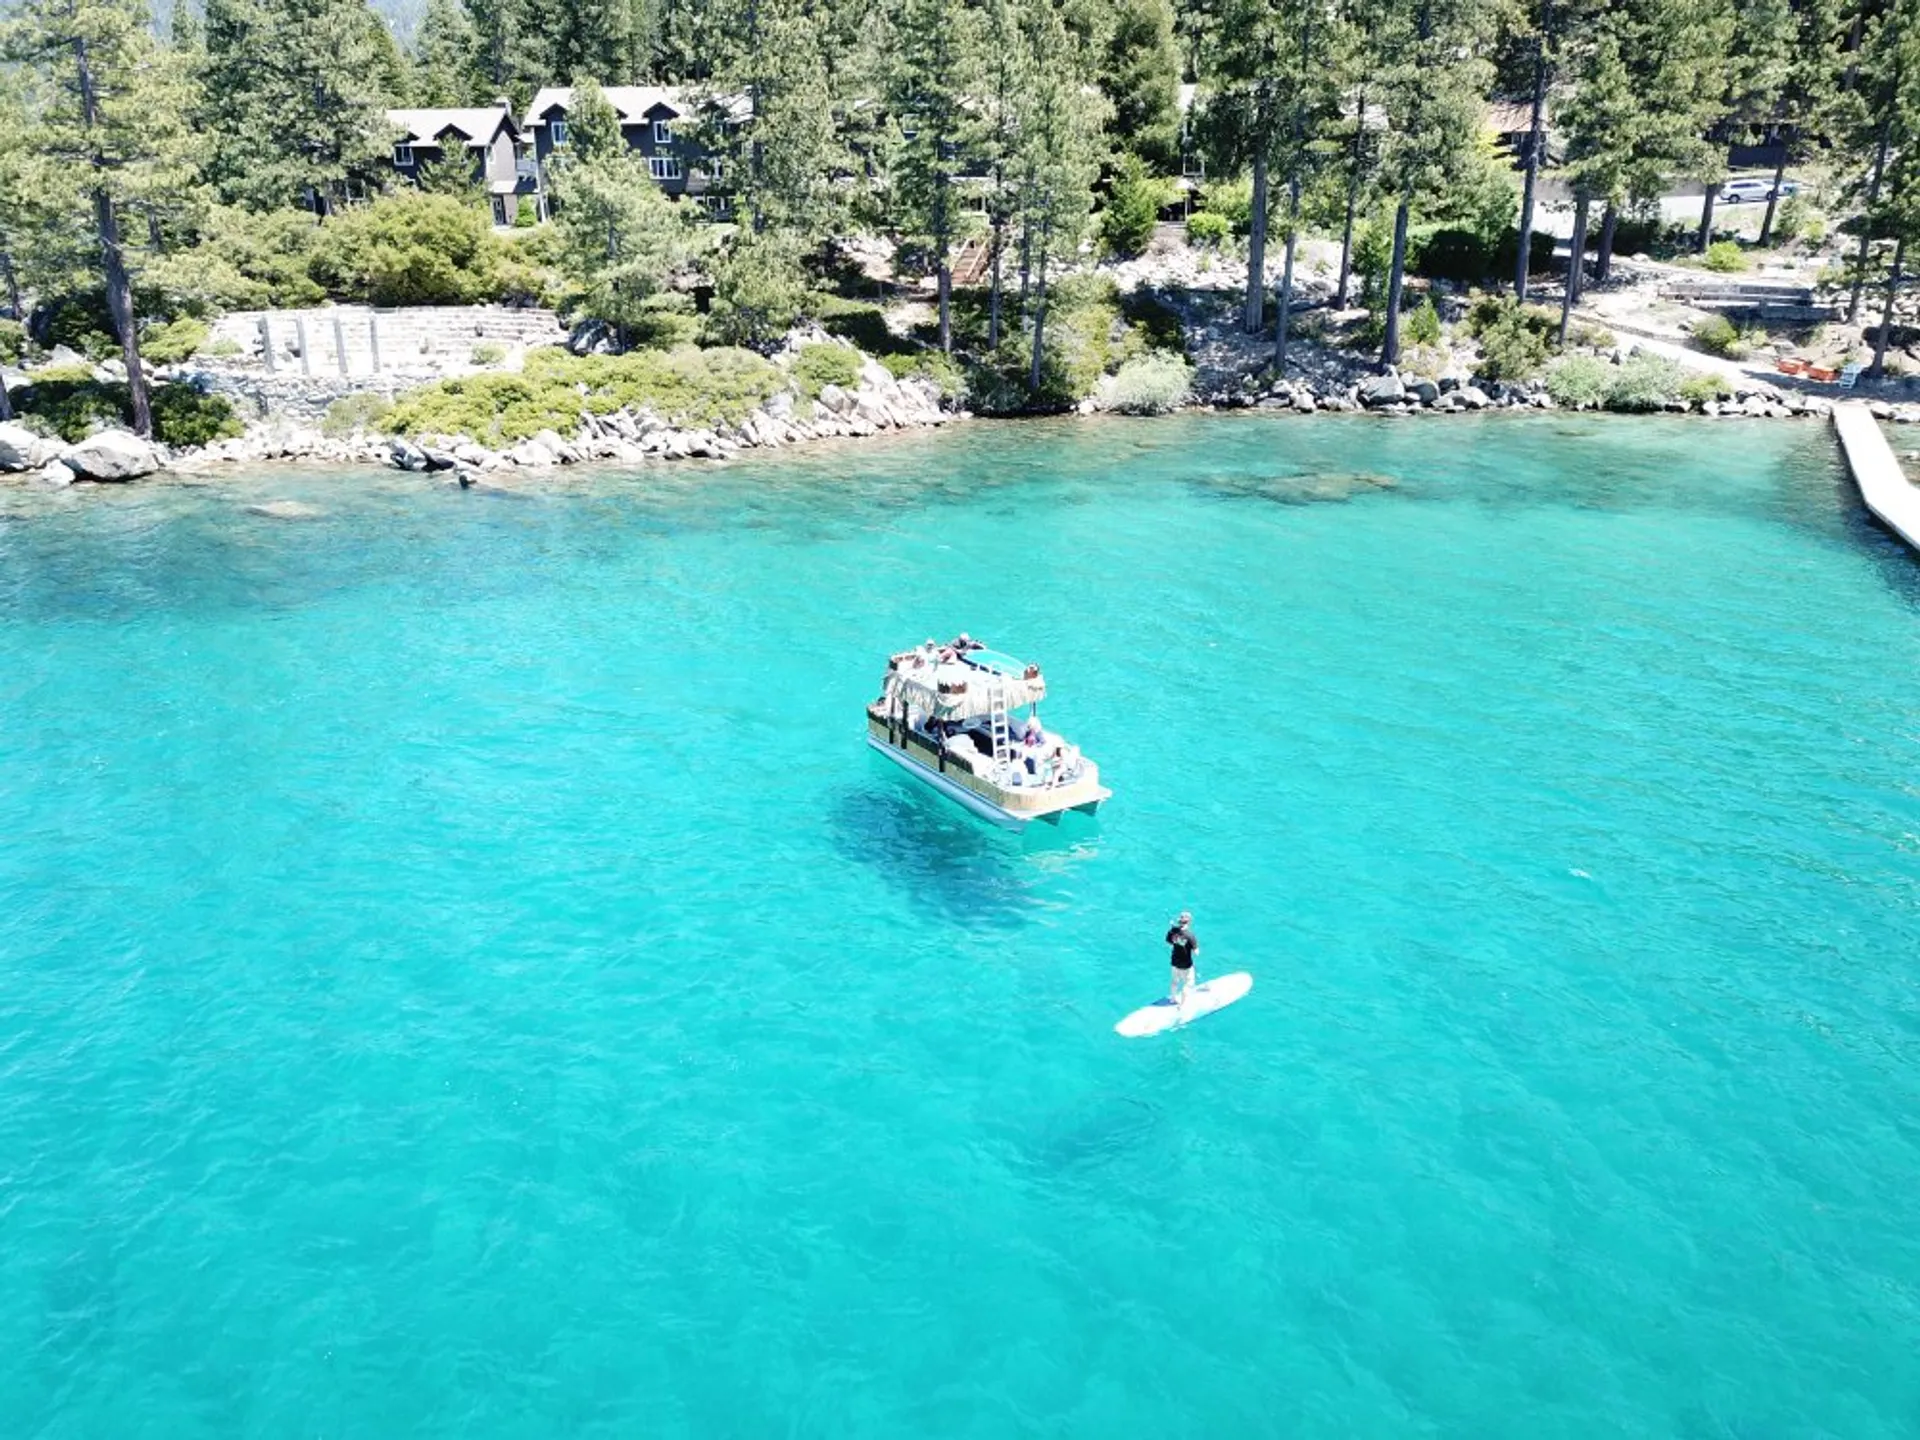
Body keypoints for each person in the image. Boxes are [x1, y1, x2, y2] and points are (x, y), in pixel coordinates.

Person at [1166, 911, 1198, 1004]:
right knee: (1188, 984)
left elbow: (1169, 941)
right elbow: (1196, 952)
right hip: (1186, 965)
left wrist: (1173, 932)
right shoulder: (1190, 936)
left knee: (1174, 981)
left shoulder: (1173, 931)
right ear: (1189, 922)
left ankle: (1172, 999)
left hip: (1174, 962)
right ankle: (1182, 1006)